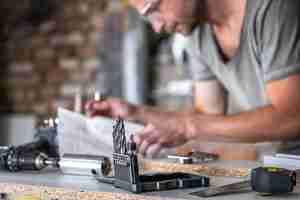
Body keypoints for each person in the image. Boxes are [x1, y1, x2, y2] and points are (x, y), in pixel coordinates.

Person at [86, 0, 300, 160]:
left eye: (154, 10)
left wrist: (188, 126)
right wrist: (137, 113)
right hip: (281, 167)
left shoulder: (272, 8)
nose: (157, 27)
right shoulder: (197, 34)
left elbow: (293, 116)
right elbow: (207, 115)